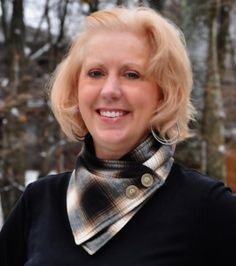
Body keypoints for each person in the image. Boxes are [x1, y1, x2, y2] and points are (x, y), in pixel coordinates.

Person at [0, 6, 236, 266]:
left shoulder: (208, 207)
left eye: (131, 74)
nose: (110, 90)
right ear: (76, 87)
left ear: (163, 93)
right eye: (96, 73)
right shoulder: (39, 202)